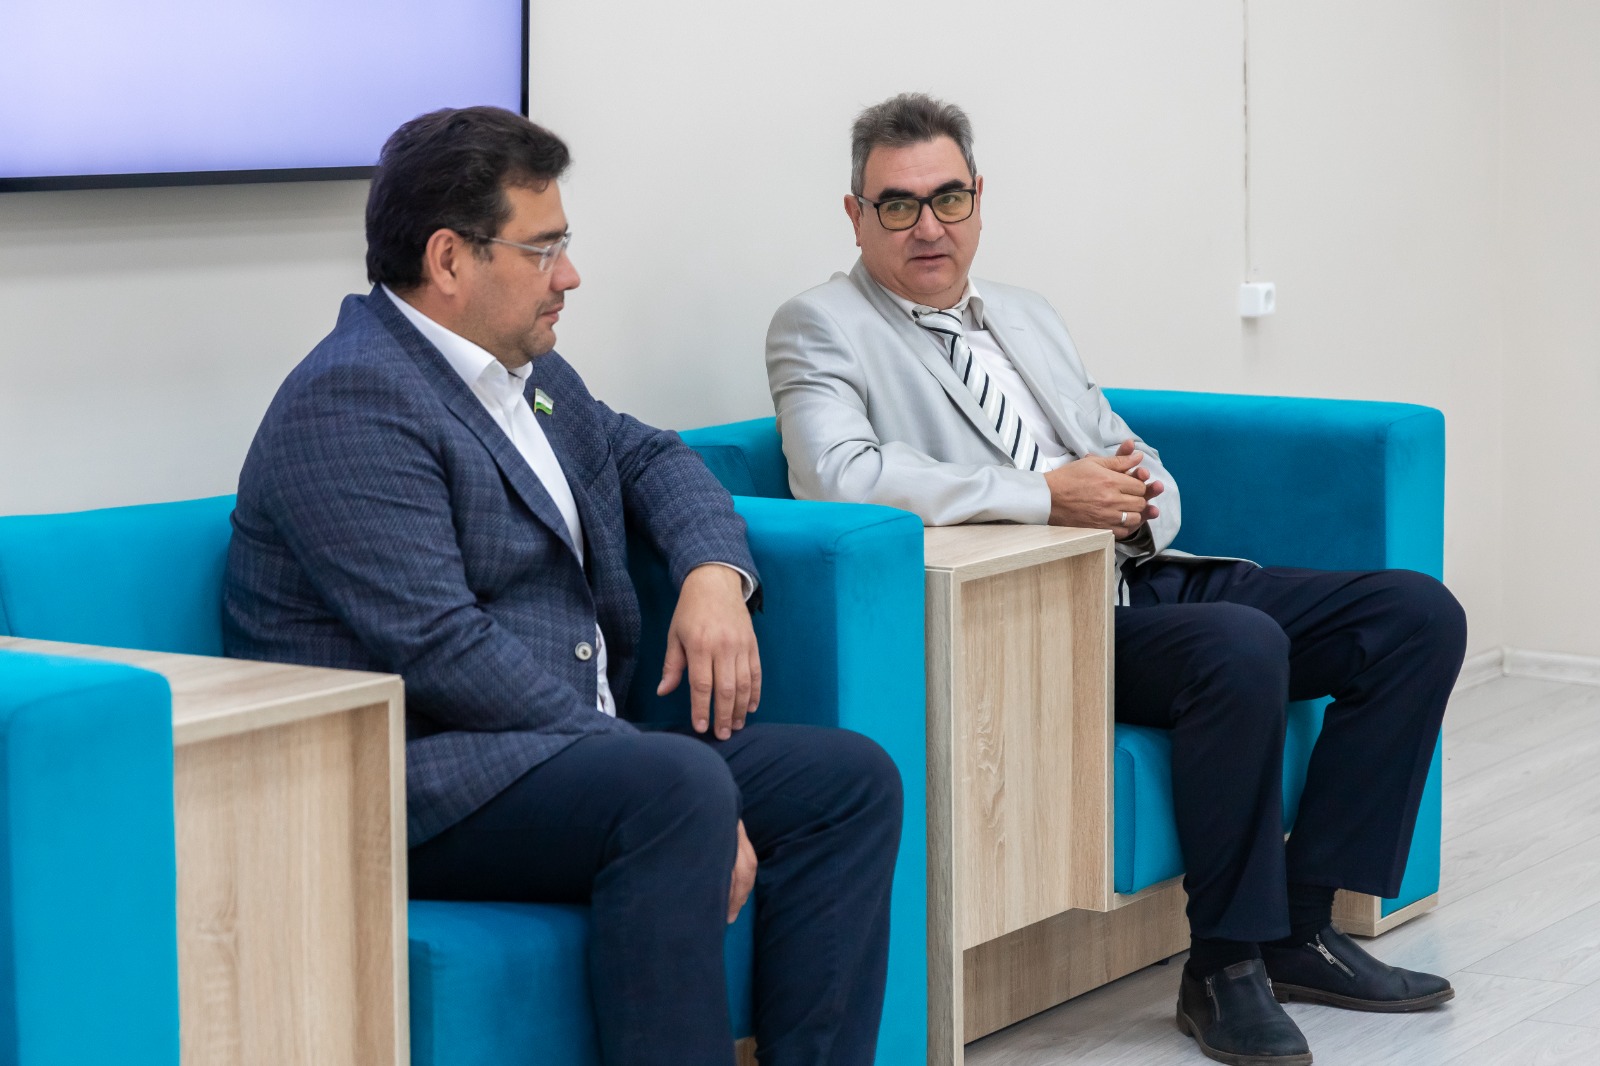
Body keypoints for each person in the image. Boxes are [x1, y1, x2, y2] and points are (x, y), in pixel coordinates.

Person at [766, 92, 1466, 1066]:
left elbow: (1123, 447)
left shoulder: (1023, 313)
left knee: (1413, 615)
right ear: (856, 215)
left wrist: (1137, 500)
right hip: (1035, 614)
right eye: (898, 204)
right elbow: (837, 475)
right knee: (1238, 645)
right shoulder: (819, 326)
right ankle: (1222, 965)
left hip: (1144, 575)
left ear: (979, 199)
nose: (928, 226)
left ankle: (1300, 927)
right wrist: (1044, 495)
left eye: (949, 198)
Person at [225, 105, 902, 1066]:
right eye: (543, 250)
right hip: (421, 779)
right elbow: (442, 649)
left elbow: (654, 458)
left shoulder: (528, 376)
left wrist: (715, 574)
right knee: (677, 786)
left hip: (565, 753)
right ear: (449, 259)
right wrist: (654, 760)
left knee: (849, 782)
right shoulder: (354, 398)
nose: (569, 276)